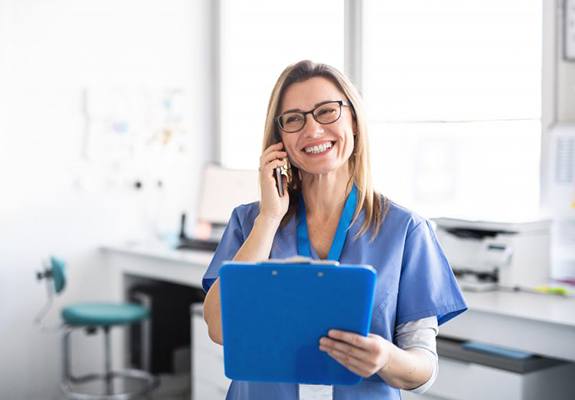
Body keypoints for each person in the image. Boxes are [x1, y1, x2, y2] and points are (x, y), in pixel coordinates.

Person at [202, 60, 467, 400]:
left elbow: (424, 368)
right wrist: (269, 218)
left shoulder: (406, 230)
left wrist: (385, 357)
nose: (312, 131)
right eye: (294, 119)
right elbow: (220, 328)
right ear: (279, 138)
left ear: (353, 120)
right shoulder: (250, 222)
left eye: (327, 111)